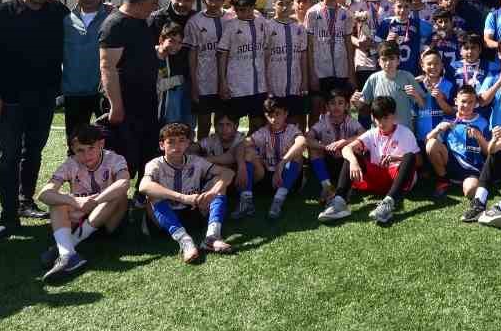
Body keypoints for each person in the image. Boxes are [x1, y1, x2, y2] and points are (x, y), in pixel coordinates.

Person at [0, 0, 70, 241]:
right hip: (8, 101)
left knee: (33, 152)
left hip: (43, 98)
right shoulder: (0, 14)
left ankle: (25, 201)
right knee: (8, 156)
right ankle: (8, 216)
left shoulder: (58, 12)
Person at [34, 123, 131, 282]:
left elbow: (124, 183)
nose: (87, 155)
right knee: (57, 200)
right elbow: (44, 194)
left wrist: (95, 201)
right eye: (80, 150)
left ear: (101, 144)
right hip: (79, 218)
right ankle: (68, 255)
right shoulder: (70, 163)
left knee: (118, 194)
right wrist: (75, 200)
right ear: (73, 149)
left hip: (109, 220)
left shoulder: (114, 158)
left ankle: (69, 244)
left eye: (91, 148)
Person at [99, 0, 163, 197]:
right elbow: (107, 67)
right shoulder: (115, 25)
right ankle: (113, 201)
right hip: (126, 103)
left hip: (145, 100)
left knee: (147, 151)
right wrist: (116, 106)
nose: (156, 6)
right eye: (153, 2)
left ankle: (141, 196)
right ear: (142, 0)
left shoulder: (142, 21)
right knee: (123, 155)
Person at [317, 96, 422, 226]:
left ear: (393, 116)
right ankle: (339, 202)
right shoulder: (372, 133)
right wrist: (354, 162)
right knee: (352, 154)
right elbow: (346, 149)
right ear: (372, 117)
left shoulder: (405, 132)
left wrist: (396, 158)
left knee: (409, 156)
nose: (381, 123)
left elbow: (418, 161)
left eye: (385, 118)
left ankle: (389, 203)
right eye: (377, 118)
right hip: (378, 178)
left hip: (397, 178)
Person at [140, 122, 232, 262]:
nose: (177, 146)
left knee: (219, 185)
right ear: (162, 145)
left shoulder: (196, 161)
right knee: (151, 195)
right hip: (164, 218)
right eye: (171, 142)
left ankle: (212, 237)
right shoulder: (155, 164)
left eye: (181, 140)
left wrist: (212, 193)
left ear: (188, 143)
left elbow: (228, 173)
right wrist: (183, 198)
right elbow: (143, 186)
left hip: (192, 212)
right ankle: (185, 242)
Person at [61, 0, 112, 138]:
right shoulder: (65, 20)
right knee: (75, 142)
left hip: (106, 92)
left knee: (111, 141)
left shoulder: (113, 17)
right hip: (74, 92)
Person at [426, 84, 492, 207]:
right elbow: (428, 140)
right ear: (456, 101)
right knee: (431, 144)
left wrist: (479, 137)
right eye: (463, 101)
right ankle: (443, 179)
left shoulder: (482, 122)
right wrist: (437, 129)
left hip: (471, 168)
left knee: (471, 191)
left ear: (475, 103)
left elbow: (488, 152)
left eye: (471, 102)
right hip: (450, 163)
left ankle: (463, 183)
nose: (466, 105)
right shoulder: (448, 119)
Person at [217, 0, 269, 132]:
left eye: (246, 9)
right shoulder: (231, 26)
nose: (242, 13)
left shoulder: (262, 23)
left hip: (258, 86)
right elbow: (223, 54)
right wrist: (223, 82)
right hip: (236, 86)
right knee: (231, 127)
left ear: (253, 6)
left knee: (257, 125)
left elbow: (266, 51)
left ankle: (251, 147)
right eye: (239, 10)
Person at [246, 96, 308, 219]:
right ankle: (246, 199)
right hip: (268, 177)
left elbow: (302, 142)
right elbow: (246, 143)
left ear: (286, 114)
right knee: (248, 152)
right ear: (266, 116)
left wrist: (282, 164)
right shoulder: (263, 132)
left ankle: (278, 200)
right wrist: (253, 153)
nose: (274, 119)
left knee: (298, 157)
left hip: (287, 176)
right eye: (270, 115)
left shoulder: (291, 129)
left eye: (278, 114)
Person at [304, 0, 355, 117]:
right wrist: (312, 74)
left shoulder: (346, 14)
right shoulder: (312, 13)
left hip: (341, 70)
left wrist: (351, 73)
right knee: (316, 109)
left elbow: (348, 45)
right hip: (320, 70)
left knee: (341, 111)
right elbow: (309, 46)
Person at [185, 0, 230, 141]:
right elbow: (192, 54)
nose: (214, 3)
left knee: (224, 122)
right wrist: (194, 84)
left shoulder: (231, 18)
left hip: (228, 80)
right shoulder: (195, 21)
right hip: (205, 81)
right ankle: (202, 152)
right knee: (204, 123)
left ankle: (221, 152)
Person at [305, 89, 366, 207]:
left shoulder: (351, 121)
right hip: (328, 160)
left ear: (346, 106)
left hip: (344, 163)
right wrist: (325, 147)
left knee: (355, 150)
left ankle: (344, 188)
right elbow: (308, 138)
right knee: (314, 150)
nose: (336, 107)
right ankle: (327, 186)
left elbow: (364, 134)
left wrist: (344, 142)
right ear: (327, 106)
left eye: (340, 103)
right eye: (332, 103)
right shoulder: (323, 121)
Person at [265, 0, 311, 125]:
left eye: (288, 4)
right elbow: (265, 57)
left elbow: (303, 56)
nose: (284, 7)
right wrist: (266, 83)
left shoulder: (299, 28)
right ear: (273, 4)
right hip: (275, 83)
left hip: (295, 83)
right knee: (275, 121)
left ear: (292, 4)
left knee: (296, 120)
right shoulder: (267, 27)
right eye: (280, 4)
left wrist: (304, 81)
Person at [355, 40, 423, 127]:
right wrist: (356, 102)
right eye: (384, 59)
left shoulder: (407, 77)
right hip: (381, 131)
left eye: (391, 58)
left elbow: (423, 104)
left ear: (398, 60)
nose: (388, 63)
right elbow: (363, 107)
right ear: (379, 62)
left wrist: (416, 95)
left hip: (403, 129)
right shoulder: (373, 79)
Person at [351, 0, 392, 89]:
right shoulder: (355, 7)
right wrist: (358, 42)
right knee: (365, 96)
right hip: (364, 60)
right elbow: (348, 34)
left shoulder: (390, 6)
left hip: (385, 59)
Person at [155, 22, 191, 127]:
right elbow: (152, 86)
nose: (176, 46)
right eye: (172, 41)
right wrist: (176, 80)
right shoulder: (150, 56)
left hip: (161, 112)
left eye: (179, 43)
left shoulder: (167, 58)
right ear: (161, 40)